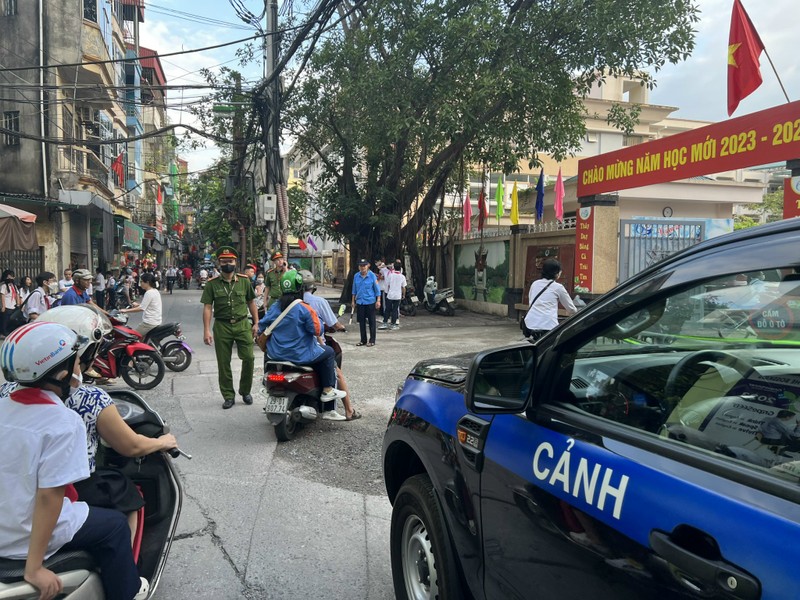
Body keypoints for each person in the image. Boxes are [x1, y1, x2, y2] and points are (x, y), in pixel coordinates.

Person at [0, 322, 148, 600]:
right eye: (77, 362)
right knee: (115, 525)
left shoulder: (4, 407)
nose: (80, 368)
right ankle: (127, 592)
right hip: (23, 537)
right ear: (62, 373)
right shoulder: (62, 422)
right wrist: (34, 568)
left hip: (5, 521)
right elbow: (50, 497)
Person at [28, 305, 178, 543]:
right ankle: (128, 563)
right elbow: (131, 446)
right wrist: (162, 442)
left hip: (21, 483)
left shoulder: (8, 393)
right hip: (74, 486)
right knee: (128, 497)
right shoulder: (90, 398)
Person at [258, 270, 347, 404]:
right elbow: (317, 330)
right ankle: (327, 390)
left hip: (276, 354)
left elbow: (261, 326)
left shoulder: (275, 307)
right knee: (329, 352)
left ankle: (267, 385)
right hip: (300, 355)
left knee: (268, 352)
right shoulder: (305, 308)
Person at [201, 246, 259, 409]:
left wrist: (256, 322)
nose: (228, 264)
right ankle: (228, 395)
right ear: (219, 263)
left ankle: (245, 391)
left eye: (230, 261)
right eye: (224, 261)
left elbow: (251, 302)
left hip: (242, 324)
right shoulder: (212, 284)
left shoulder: (244, 281)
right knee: (223, 362)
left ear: (235, 263)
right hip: (222, 326)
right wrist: (206, 330)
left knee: (249, 358)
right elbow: (207, 307)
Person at [299, 270, 361, 421]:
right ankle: (345, 410)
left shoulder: (283, 304)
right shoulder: (317, 303)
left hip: (290, 348)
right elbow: (328, 325)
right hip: (312, 347)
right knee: (335, 369)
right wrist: (340, 327)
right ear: (312, 286)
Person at [523, 258, 577, 340]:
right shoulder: (558, 287)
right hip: (548, 326)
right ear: (556, 273)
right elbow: (571, 309)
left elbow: (531, 302)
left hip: (530, 324)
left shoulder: (535, 284)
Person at [351, 258, 381, 347]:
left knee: (372, 322)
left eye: (364, 265)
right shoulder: (356, 276)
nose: (362, 267)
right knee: (361, 322)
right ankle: (363, 340)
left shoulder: (372, 276)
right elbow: (354, 290)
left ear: (367, 266)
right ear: (359, 267)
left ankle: (372, 340)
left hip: (370, 301)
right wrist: (353, 301)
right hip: (360, 302)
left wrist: (378, 300)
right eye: (361, 266)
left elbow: (377, 289)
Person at [382, 260, 407, 330]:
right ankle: (393, 324)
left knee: (387, 309)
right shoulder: (402, 277)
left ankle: (385, 323)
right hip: (398, 295)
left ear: (394, 267)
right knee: (395, 310)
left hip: (390, 295)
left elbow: (387, 285)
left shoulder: (390, 275)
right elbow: (403, 287)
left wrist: (387, 292)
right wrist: (403, 295)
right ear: (400, 268)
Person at [0, 269, 19, 335]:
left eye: (11, 276)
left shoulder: (14, 286)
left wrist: (18, 304)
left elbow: (17, 295)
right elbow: (2, 296)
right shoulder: (3, 286)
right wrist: (3, 306)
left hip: (13, 306)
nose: (11, 278)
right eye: (9, 276)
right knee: (5, 320)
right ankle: (4, 332)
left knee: (11, 320)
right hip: (7, 306)